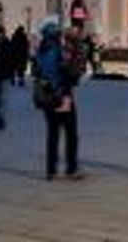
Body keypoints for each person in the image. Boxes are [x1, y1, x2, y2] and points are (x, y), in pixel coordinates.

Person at [33, 20, 85, 180]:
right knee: (71, 133)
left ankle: (51, 170)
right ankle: (71, 168)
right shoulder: (60, 52)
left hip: (47, 96)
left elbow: (37, 72)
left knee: (53, 133)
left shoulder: (40, 52)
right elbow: (72, 74)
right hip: (62, 96)